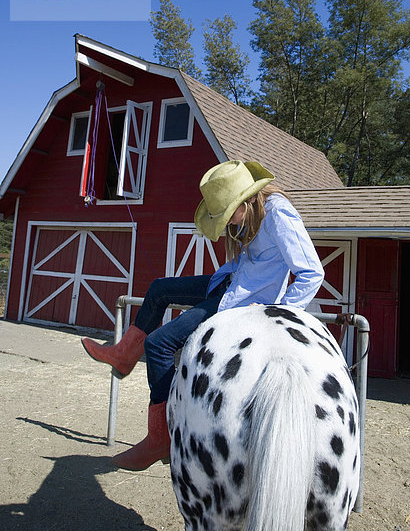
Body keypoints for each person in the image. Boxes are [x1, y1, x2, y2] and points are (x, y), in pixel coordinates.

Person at [81, 160, 324, 470]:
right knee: (159, 288)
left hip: (245, 299)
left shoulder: (278, 214)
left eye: (227, 215)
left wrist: (277, 312)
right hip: (228, 283)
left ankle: (161, 437)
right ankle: (124, 354)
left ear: (245, 201)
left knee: (158, 344)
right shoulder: (251, 215)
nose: (227, 224)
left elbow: (311, 273)